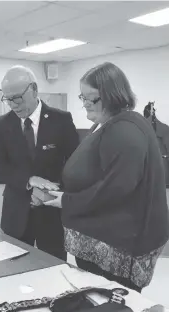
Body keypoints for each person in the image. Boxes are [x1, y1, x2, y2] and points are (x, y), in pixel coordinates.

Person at [45, 62, 169, 292]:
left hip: (119, 248)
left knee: (112, 309)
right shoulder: (107, 123)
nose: (84, 105)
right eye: (82, 97)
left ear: (113, 96)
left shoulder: (125, 131)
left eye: (91, 99)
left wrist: (67, 201)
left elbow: (117, 188)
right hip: (104, 239)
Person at [0, 65, 79, 260]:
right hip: (16, 214)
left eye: (17, 98)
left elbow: (75, 165)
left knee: (54, 270)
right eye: (7, 99)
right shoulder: (2, 124)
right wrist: (29, 180)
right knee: (14, 270)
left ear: (34, 89)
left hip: (52, 212)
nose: (13, 105)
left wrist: (48, 192)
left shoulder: (61, 120)